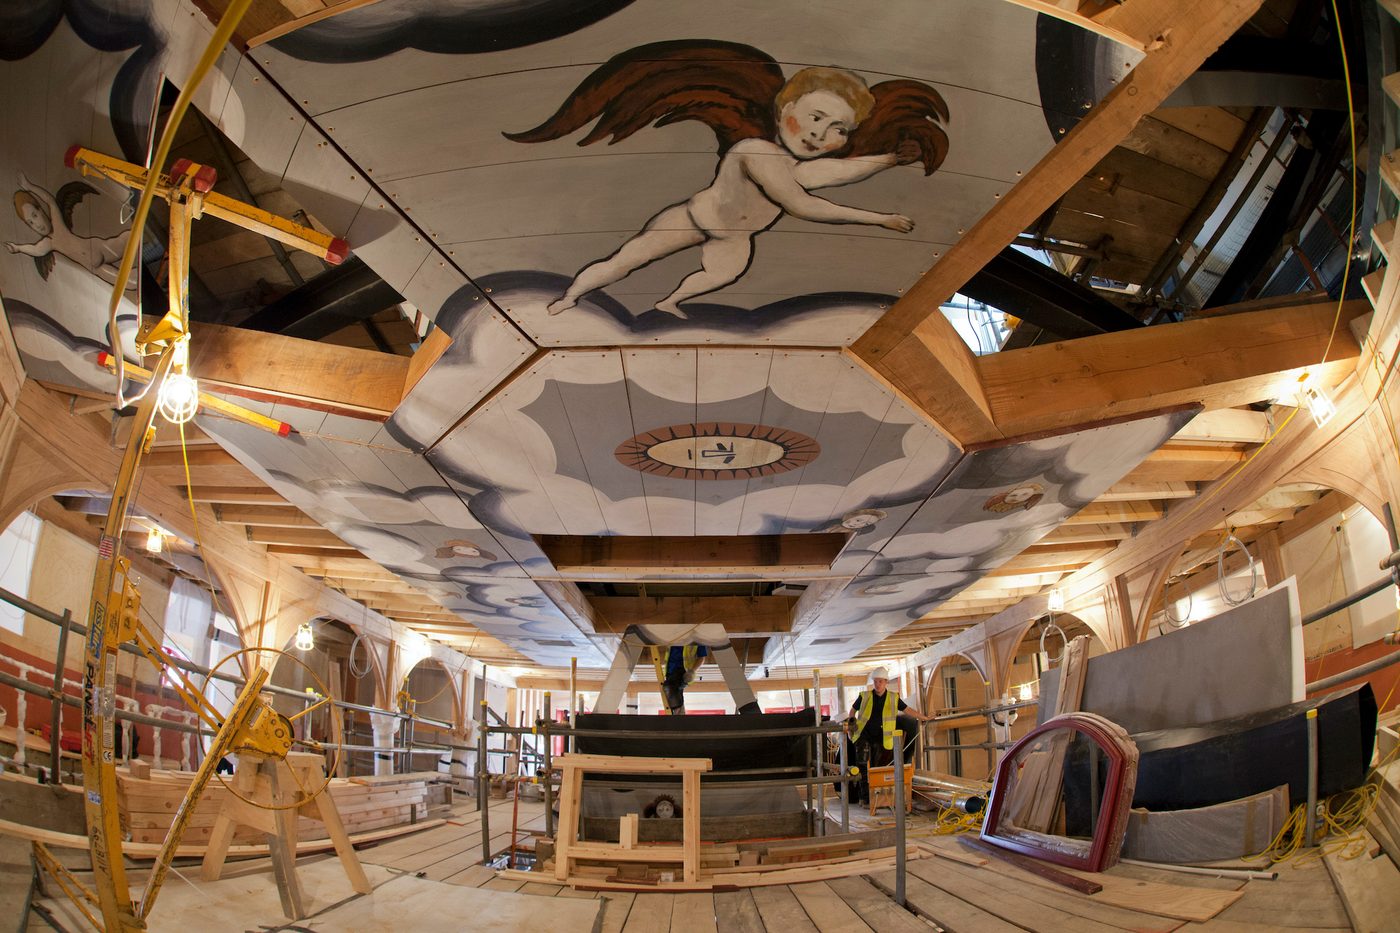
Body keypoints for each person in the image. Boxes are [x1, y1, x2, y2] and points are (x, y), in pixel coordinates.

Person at [534, 66, 920, 318]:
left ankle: (671, 301)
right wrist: (879, 219)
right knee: (626, 260)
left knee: (721, 274)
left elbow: (834, 172)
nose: (820, 134)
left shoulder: (794, 167)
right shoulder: (754, 151)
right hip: (691, 219)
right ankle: (571, 295)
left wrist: (889, 160)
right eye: (815, 117)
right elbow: (801, 204)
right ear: (785, 108)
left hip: (736, 237)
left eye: (839, 129)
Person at [845, 666, 931, 805]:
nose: (877, 684)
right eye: (875, 681)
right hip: (863, 735)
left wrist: (923, 718)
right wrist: (851, 726)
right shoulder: (864, 696)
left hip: (883, 738)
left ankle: (877, 797)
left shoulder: (893, 698)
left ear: (886, 682)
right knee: (862, 765)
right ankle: (865, 798)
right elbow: (852, 710)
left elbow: (907, 710)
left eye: (880, 681)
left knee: (878, 767)